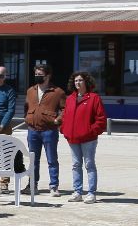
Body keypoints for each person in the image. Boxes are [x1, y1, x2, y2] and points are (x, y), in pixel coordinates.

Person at [62, 71, 107, 204]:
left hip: (89, 139)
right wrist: (64, 130)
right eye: (76, 81)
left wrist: (91, 131)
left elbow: (101, 119)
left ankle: (91, 193)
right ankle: (77, 192)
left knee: (89, 164)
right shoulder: (70, 99)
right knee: (76, 165)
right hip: (73, 138)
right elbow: (65, 116)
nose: (78, 83)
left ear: (86, 82)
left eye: (80, 80)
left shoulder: (94, 98)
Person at [25, 63, 66, 197]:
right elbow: (27, 107)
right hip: (33, 130)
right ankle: (32, 185)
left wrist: (57, 120)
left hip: (49, 130)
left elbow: (65, 110)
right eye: (36, 74)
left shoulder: (58, 92)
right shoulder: (30, 91)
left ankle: (54, 186)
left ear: (48, 76)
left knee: (52, 159)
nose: (37, 77)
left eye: (40, 75)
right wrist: (28, 119)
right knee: (33, 160)